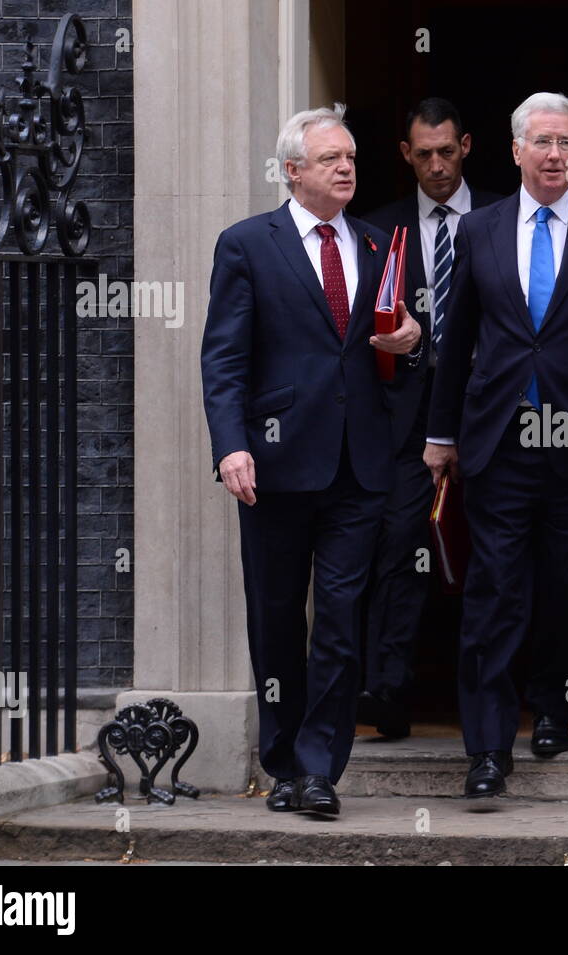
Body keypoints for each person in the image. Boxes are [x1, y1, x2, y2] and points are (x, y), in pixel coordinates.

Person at [424, 92, 568, 797]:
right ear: (516, 149)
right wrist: (441, 433)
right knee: (494, 594)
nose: (555, 154)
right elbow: (456, 338)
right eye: (543, 142)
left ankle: (555, 705)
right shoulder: (481, 231)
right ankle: (488, 750)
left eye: (566, 143)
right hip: (500, 443)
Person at [201, 104, 422, 815]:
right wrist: (231, 444)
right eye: (331, 158)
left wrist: (413, 341)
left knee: (339, 616)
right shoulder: (247, 244)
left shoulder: (379, 243)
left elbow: (406, 351)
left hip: (359, 466)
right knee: (274, 616)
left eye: (351, 156)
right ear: (292, 170)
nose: (347, 167)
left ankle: (320, 766)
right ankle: (283, 759)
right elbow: (224, 359)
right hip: (273, 462)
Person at [358, 98, 503, 739]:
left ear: (467, 145)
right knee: (398, 552)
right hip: (404, 425)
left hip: (497, 414)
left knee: (500, 557)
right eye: (424, 155)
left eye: (447, 151)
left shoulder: (504, 219)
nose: (438, 166)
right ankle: (388, 693)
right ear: (405, 155)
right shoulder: (376, 230)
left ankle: (502, 703)